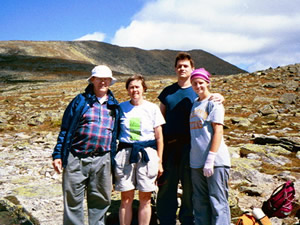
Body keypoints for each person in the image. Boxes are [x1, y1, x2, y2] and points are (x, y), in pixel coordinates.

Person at [156, 52, 224, 225]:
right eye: (179, 66)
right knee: (166, 186)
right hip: (169, 147)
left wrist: (221, 97)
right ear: (175, 69)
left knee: (190, 188)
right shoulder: (167, 92)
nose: (182, 69)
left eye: (186, 66)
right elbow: (159, 119)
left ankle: (188, 220)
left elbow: (211, 105)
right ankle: (166, 220)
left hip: (191, 147)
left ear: (192, 69)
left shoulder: (197, 91)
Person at [52, 65, 120, 225]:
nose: (103, 82)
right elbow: (66, 129)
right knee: (73, 201)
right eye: (99, 78)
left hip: (103, 159)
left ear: (110, 81)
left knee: (101, 201)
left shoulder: (114, 106)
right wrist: (57, 155)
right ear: (92, 80)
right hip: (76, 157)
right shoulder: (80, 101)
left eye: (106, 79)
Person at [114, 75, 165, 225]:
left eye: (137, 86)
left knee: (145, 198)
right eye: (131, 87)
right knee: (126, 198)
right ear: (127, 90)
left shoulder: (152, 108)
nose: (134, 90)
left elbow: (159, 137)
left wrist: (160, 161)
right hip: (126, 154)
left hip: (147, 154)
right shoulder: (121, 108)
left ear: (144, 88)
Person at [189, 68, 231, 225]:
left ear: (207, 83)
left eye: (201, 82)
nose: (198, 86)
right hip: (196, 162)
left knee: (218, 201)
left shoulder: (214, 103)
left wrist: (211, 158)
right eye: (194, 83)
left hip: (215, 161)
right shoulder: (195, 104)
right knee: (200, 202)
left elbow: (218, 130)